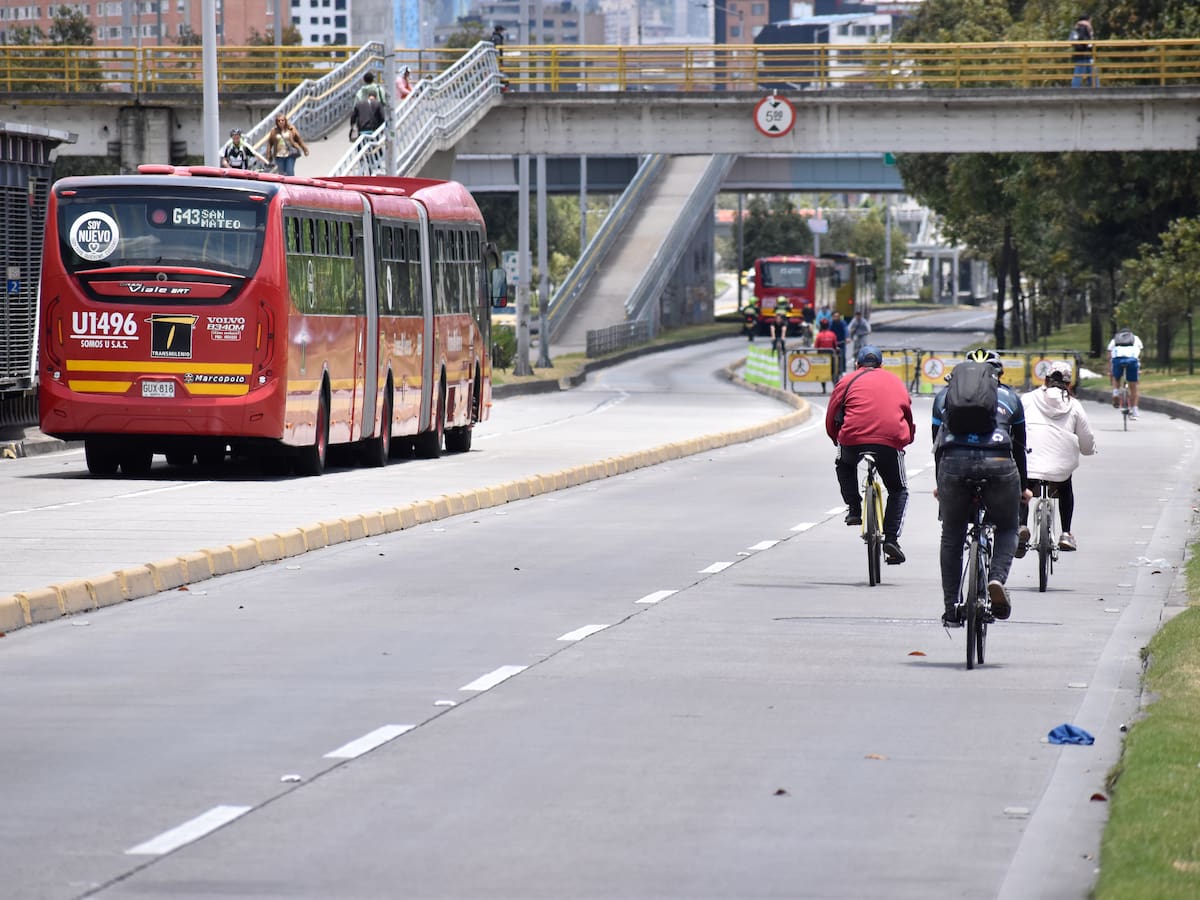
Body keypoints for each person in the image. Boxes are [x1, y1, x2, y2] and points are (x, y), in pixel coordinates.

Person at [931, 348, 1031, 627]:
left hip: (954, 466)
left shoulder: (944, 397)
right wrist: (1023, 488)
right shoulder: (1011, 398)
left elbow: (938, 448)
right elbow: (1019, 449)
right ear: (998, 373)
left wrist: (940, 483)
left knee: (952, 534)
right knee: (1008, 527)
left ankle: (951, 608)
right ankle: (997, 578)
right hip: (999, 464)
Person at [826, 345, 915, 565]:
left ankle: (855, 509)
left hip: (852, 439)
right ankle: (891, 539)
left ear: (857, 364)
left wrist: (837, 439)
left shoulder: (847, 381)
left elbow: (830, 416)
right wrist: (905, 439)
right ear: (882, 365)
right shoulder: (895, 381)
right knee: (898, 489)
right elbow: (907, 415)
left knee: (844, 464)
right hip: (889, 442)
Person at [1017, 361, 1097, 555]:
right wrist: (1089, 450)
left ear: (1045, 380)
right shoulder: (1074, 405)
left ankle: (1020, 526)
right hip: (1060, 470)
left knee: (1023, 487)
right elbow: (1087, 443)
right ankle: (1066, 533)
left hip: (1031, 462)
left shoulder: (1027, 399)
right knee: (1065, 486)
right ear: (1069, 384)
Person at [1107, 326, 1143, 418]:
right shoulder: (1136, 338)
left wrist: (1110, 370)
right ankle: (1135, 410)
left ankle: (1115, 392)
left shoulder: (1114, 339)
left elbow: (1109, 356)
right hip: (1132, 360)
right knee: (1133, 385)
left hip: (1117, 360)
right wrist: (1138, 368)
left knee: (1116, 376)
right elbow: (1140, 354)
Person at [1070, 13, 1095, 88]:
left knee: (1078, 75)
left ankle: (1074, 91)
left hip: (1080, 55)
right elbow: (1090, 42)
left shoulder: (1076, 28)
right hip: (1088, 55)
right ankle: (1095, 90)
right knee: (1093, 76)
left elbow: (1072, 41)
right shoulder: (1087, 27)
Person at [830, 311, 848, 376]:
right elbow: (828, 331)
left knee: (843, 356)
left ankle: (843, 371)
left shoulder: (843, 323)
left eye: (837, 316)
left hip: (841, 342)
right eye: (834, 316)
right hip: (833, 343)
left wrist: (846, 338)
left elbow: (846, 330)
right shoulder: (831, 323)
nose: (836, 318)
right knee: (832, 356)